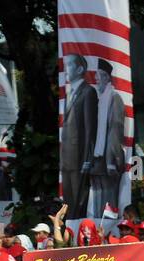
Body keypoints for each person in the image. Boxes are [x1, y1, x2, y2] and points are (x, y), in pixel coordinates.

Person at [61, 54, 97, 217]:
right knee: (68, 204)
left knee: (78, 201)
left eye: (69, 65)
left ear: (80, 69)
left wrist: (88, 158)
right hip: (67, 158)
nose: (65, 69)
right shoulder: (70, 94)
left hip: (79, 158)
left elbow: (90, 129)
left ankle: (79, 233)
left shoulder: (88, 92)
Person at [89, 61, 125, 218]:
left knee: (109, 201)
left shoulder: (114, 98)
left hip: (108, 158)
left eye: (98, 75)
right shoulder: (100, 99)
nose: (95, 78)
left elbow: (115, 130)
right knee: (97, 198)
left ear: (105, 76)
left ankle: (108, 231)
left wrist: (111, 160)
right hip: (97, 157)